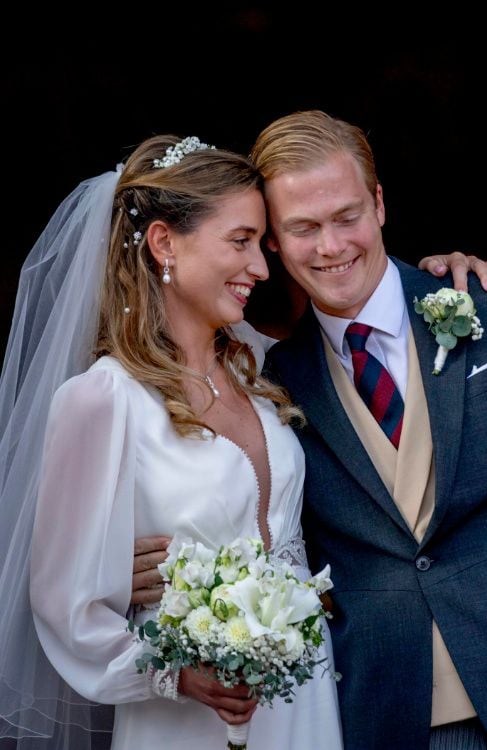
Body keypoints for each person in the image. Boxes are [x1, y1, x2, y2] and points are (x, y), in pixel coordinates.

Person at [0, 135, 344, 750]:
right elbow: (66, 603)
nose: (262, 269)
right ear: (164, 243)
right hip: (188, 717)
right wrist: (173, 673)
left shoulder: (261, 368)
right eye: (239, 242)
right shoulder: (104, 399)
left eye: (260, 245)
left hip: (305, 694)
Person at [247, 110, 487, 749]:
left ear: (379, 204)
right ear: (272, 241)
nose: (331, 246)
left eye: (347, 216)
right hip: (385, 715)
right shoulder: (272, 383)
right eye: (302, 228)